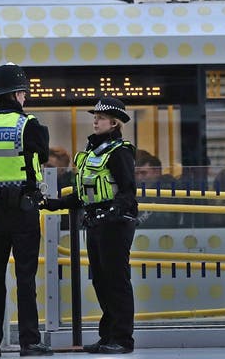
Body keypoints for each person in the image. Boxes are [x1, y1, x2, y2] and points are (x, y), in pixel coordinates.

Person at [0, 63, 53, 358]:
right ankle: (28, 342)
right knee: (25, 277)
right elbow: (42, 155)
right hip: (23, 209)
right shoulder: (29, 124)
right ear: (18, 94)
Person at [75, 97, 138, 354]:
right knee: (101, 281)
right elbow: (85, 191)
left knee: (116, 281)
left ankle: (123, 339)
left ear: (114, 122)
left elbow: (127, 191)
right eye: (95, 117)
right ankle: (108, 334)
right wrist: (55, 203)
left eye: (100, 118)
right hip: (96, 222)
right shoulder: (93, 151)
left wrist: (113, 212)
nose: (95, 120)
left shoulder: (119, 152)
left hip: (115, 225)